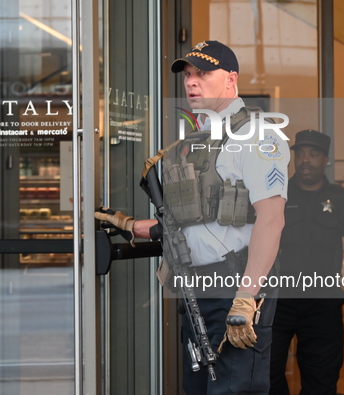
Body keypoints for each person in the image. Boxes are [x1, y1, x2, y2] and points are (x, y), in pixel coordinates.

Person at [95, 40, 289, 394]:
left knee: (233, 388)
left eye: (202, 73)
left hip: (235, 287)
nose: (191, 82)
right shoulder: (199, 141)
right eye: (187, 74)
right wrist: (127, 224)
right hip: (196, 289)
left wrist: (246, 297)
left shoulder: (258, 138)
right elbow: (195, 221)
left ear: (231, 79)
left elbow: (272, 220)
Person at [269, 129, 344, 395]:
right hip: (278, 300)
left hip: (323, 303)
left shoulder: (340, 199)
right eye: (300, 154)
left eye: (313, 154)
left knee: (321, 380)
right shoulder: (277, 195)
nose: (305, 160)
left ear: (326, 159)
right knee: (266, 374)